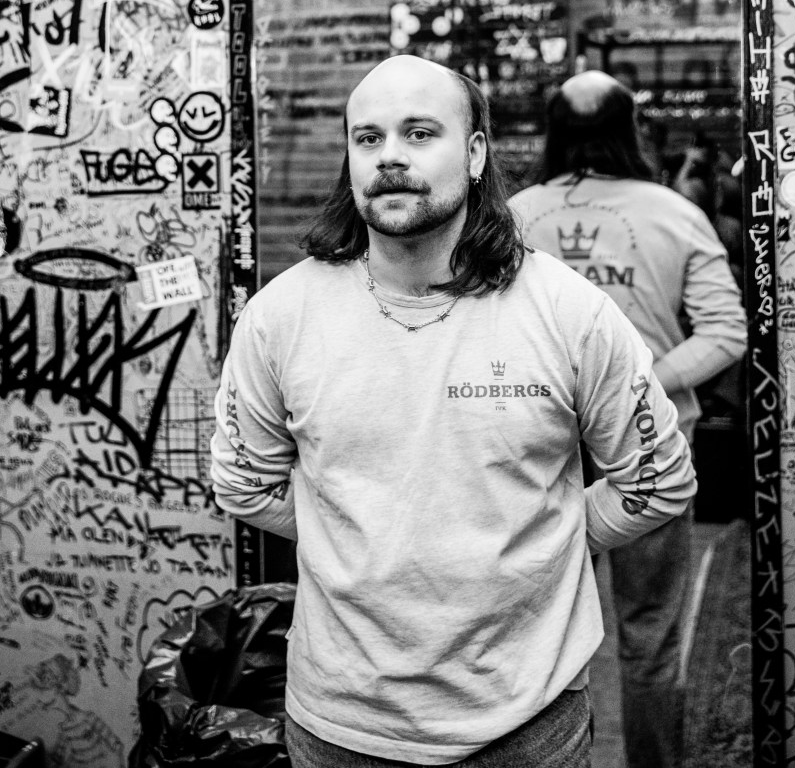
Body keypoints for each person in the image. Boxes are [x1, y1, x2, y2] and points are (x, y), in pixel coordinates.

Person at [211, 55, 697, 768]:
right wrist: (364, 532)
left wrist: (547, 542)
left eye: (418, 133)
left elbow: (658, 480)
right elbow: (243, 483)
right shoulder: (279, 317)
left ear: (473, 155)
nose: (390, 157)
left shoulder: (567, 311)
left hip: (527, 726)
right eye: (368, 138)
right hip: (339, 727)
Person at [509, 70, 746, 768]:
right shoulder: (675, 212)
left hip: (537, 448)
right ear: (631, 129)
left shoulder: (515, 215)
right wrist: (640, 385)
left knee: (536, 633)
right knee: (650, 635)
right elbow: (726, 332)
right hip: (650, 448)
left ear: (553, 132)